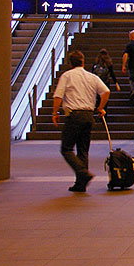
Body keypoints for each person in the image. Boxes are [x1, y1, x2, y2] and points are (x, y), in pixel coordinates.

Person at [52, 51, 110, 192]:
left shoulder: (67, 76)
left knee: (66, 148)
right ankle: (80, 184)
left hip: (74, 116)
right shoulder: (92, 77)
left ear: (71, 63)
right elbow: (106, 92)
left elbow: (58, 96)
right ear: (83, 62)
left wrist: (55, 112)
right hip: (88, 116)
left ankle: (83, 173)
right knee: (83, 150)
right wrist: (100, 107)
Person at [91, 48, 120, 116]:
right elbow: (112, 73)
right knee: (105, 98)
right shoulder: (108, 63)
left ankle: (98, 110)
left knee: (98, 98)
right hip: (105, 83)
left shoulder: (96, 63)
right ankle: (104, 111)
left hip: (97, 83)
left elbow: (92, 73)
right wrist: (116, 83)